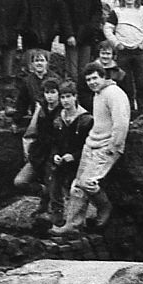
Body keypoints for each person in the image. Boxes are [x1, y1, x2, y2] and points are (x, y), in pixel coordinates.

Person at [50, 62, 130, 236]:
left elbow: (121, 123)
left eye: (95, 78)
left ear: (103, 77)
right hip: (91, 144)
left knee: (88, 182)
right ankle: (72, 225)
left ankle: (104, 206)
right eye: (88, 80)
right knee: (77, 186)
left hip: (107, 146)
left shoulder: (114, 94)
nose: (92, 82)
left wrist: (114, 146)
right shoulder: (98, 94)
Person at [103, 0, 143, 112]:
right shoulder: (117, 11)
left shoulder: (142, 11)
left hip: (138, 52)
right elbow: (108, 28)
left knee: (141, 82)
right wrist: (116, 43)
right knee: (125, 82)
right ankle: (129, 109)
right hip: (123, 52)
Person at [12, 77, 62, 215]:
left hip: (55, 154)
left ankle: (53, 211)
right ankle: (43, 192)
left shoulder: (63, 111)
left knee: (54, 187)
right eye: (47, 93)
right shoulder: (41, 110)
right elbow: (33, 132)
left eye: (53, 92)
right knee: (20, 181)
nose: (49, 96)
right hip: (39, 153)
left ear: (58, 93)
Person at [48, 81, 93, 225]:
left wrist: (74, 156)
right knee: (54, 176)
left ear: (75, 97)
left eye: (68, 97)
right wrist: (55, 154)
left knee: (78, 186)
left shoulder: (86, 119)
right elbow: (54, 141)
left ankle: (76, 220)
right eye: (62, 97)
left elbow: (89, 145)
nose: (65, 101)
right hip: (62, 160)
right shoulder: (58, 118)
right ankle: (57, 212)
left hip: (80, 160)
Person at [59, 0, 103, 83]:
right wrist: (69, 34)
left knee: (85, 70)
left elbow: (97, 10)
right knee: (72, 71)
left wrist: (92, 28)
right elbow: (63, 13)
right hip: (72, 35)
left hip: (87, 35)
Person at [10, 49, 52, 130]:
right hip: (37, 114)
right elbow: (22, 103)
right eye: (36, 61)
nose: (39, 63)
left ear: (46, 63)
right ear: (32, 64)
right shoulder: (27, 81)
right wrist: (16, 121)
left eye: (42, 60)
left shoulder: (54, 79)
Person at [79, 41, 126, 112]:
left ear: (113, 55)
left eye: (108, 54)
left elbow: (126, 93)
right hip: (92, 107)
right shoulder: (89, 70)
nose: (105, 56)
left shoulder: (119, 73)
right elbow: (83, 92)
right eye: (103, 53)